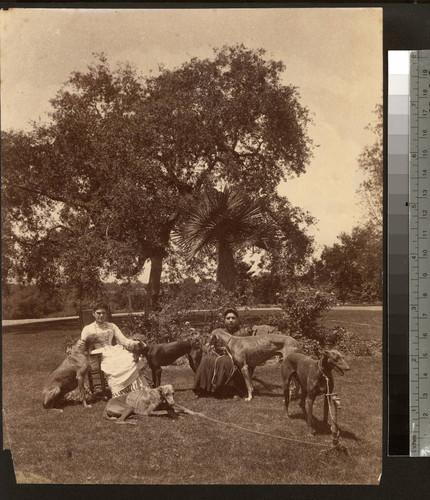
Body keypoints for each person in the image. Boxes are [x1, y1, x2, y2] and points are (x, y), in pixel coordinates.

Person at [78, 303, 149, 398]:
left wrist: (135, 343)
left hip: (114, 350)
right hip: (99, 354)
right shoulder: (88, 329)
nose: (101, 315)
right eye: (98, 313)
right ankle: (121, 392)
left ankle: (136, 389)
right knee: (113, 364)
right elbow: (83, 346)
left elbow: (123, 340)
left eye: (104, 313)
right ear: (93, 313)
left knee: (131, 359)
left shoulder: (112, 326)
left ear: (107, 314)